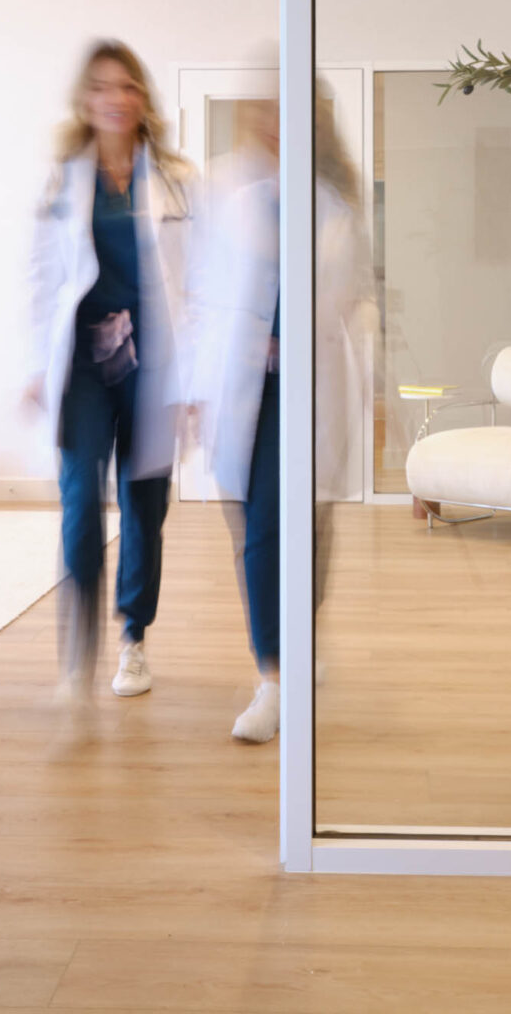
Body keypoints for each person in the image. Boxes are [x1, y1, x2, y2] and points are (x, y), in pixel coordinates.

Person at [190, 87, 369, 743]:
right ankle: (272, 679)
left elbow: (348, 300)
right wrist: (195, 384)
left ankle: (296, 636)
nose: (275, 126)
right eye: (266, 114)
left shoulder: (336, 207)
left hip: (312, 386)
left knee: (310, 526)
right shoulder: (232, 202)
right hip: (250, 392)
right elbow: (203, 295)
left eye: (292, 117)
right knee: (261, 528)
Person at [26, 41, 193, 705]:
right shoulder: (63, 179)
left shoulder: (178, 180)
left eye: (127, 87)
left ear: (142, 99)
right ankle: (77, 656)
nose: (114, 99)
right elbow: (40, 275)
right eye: (101, 87)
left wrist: (198, 379)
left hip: (153, 360)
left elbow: (198, 281)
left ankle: (133, 640)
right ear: (85, 100)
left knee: (144, 504)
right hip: (84, 364)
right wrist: (35, 363)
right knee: (79, 505)